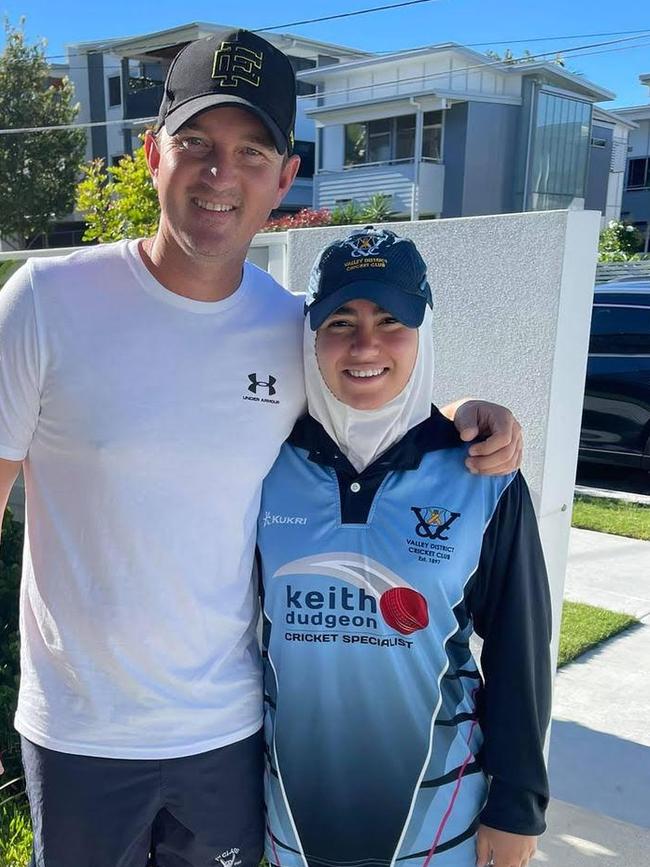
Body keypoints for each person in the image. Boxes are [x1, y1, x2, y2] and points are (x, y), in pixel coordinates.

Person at [0, 31, 523, 867]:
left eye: (252, 151)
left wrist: (467, 412)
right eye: (196, 144)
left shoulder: (292, 329)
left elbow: (371, 398)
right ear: (151, 154)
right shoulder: (45, 302)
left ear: (286, 176)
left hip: (232, 735)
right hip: (81, 734)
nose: (220, 174)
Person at [257, 227, 552, 867]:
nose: (365, 344)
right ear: (312, 337)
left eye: (392, 319)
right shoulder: (261, 461)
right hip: (292, 816)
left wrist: (519, 804)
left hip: (439, 821)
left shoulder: (483, 473)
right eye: (340, 320)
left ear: (423, 333)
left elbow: (520, 649)